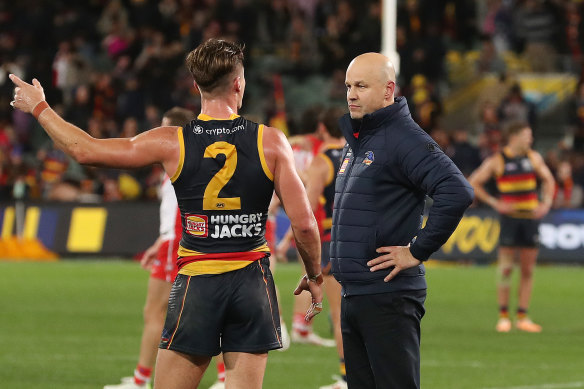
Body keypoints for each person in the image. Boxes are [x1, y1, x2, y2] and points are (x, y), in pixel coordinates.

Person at [9, 38, 323, 389]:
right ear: (239, 83)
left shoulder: (173, 141)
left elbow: (87, 151)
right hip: (252, 282)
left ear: (196, 85)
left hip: (198, 284)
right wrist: (314, 275)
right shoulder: (271, 141)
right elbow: (305, 225)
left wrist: (40, 108)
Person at [331, 52, 474, 389]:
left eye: (362, 86)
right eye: (349, 86)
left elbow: (457, 191)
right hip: (357, 295)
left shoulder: (403, 137)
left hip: (388, 296)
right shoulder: (361, 137)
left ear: (387, 90)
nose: (351, 94)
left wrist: (417, 250)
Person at [104, 107, 194, 389]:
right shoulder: (187, 162)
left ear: (174, 132)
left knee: (155, 313)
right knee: (194, 311)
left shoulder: (177, 162)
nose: (157, 133)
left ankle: (141, 380)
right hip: (176, 240)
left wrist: (167, 240)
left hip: (177, 243)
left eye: (162, 128)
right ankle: (224, 376)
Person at [468, 121, 555, 333]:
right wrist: (495, 203)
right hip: (510, 220)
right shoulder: (498, 161)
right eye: (527, 135)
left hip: (530, 219)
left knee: (527, 269)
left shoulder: (533, 157)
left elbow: (549, 181)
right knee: (506, 268)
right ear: (514, 136)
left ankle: (523, 316)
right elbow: (473, 182)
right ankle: (504, 315)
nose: (530, 139)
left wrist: (546, 204)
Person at [302, 107, 348, 389]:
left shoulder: (323, 162)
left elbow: (305, 206)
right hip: (366, 242)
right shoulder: (362, 154)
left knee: (340, 315)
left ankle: (347, 379)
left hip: (334, 242)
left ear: (322, 128)